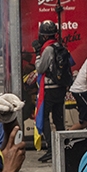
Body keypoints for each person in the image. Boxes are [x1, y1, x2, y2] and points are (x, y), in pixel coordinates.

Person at [34, 20, 66, 163]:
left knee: (44, 117)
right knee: (58, 119)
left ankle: (51, 149)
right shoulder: (60, 46)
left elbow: (40, 68)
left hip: (49, 88)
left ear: (45, 36)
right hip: (60, 88)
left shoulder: (48, 49)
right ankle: (63, 147)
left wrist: (37, 55)